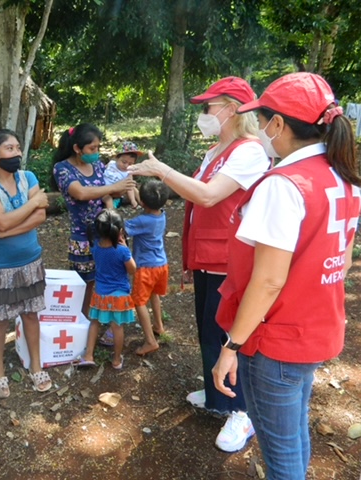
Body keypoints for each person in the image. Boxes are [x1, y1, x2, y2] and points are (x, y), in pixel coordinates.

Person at [212, 72, 361, 479]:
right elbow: (343, 262)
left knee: (280, 456)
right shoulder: (342, 176)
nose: (258, 130)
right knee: (293, 433)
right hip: (316, 329)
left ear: (277, 124)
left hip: (275, 339)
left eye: (261, 121)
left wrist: (232, 345)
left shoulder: (283, 185)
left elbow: (268, 281)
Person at [129, 77, 270, 452]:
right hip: (208, 256)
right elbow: (196, 193)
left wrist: (162, 171)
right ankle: (217, 393)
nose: (204, 113)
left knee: (229, 333)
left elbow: (208, 196)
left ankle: (242, 410)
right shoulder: (216, 150)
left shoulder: (250, 151)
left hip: (230, 259)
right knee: (209, 329)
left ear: (232, 109)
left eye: (209, 106)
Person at [0, 129, 51, 398]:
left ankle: (36, 366)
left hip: (30, 261)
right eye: (9, 148)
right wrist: (33, 204)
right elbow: (4, 218)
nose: (17, 153)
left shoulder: (27, 176)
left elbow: (39, 217)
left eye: (18, 147)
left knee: (31, 315)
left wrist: (4, 231)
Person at [51, 124, 135, 345]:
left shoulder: (97, 165)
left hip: (108, 231)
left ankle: (113, 324)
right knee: (86, 283)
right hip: (82, 236)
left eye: (98, 147)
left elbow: (107, 194)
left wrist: (114, 217)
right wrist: (113, 188)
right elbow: (81, 193)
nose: (97, 152)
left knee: (115, 278)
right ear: (78, 148)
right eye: (92, 148)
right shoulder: (62, 169)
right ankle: (85, 326)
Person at [74, 209, 136, 370]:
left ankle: (88, 355)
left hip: (100, 292)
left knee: (94, 322)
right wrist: (127, 250)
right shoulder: (122, 251)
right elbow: (132, 270)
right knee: (117, 326)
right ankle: (116, 359)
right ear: (120, 231)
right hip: (119, 295)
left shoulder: (95, 246)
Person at [125, 179, 170, 356]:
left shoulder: (141, 221)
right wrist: (134, 189)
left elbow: (122, 228)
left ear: (142, 202)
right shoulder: (161, 214)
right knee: (154, 294)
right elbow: (147, 203)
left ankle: (150, 341)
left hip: (146, 268)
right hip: (161, 265)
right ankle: (159, 326)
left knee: (138, 301)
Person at [104, 141, 142, 209]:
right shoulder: (111, 164)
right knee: (107, 199)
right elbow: (101, 171)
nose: (126, 165)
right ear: (116, 158)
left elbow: (129, 187)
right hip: (103, 189)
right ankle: (110, 214)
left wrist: (132, 200)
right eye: (124, 162)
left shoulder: (128, 172)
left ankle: (141, 203)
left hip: (117, 192)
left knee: (132, 187)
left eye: (130, 164)